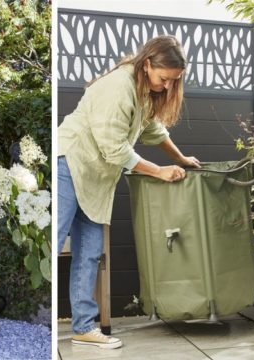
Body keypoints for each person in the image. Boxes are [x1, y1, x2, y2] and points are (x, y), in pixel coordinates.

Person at [57, 35, 200, 349]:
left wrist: (179, 158)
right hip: (70, 163)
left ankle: (83, 328)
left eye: (172, 82)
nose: (166, 86)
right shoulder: (118, 86)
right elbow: (114, 147)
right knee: (52, 242)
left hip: (96, 178)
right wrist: (158, 171)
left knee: (89, 253)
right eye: (164, 79)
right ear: (147, 64)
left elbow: (152, 131)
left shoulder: (143, 91)